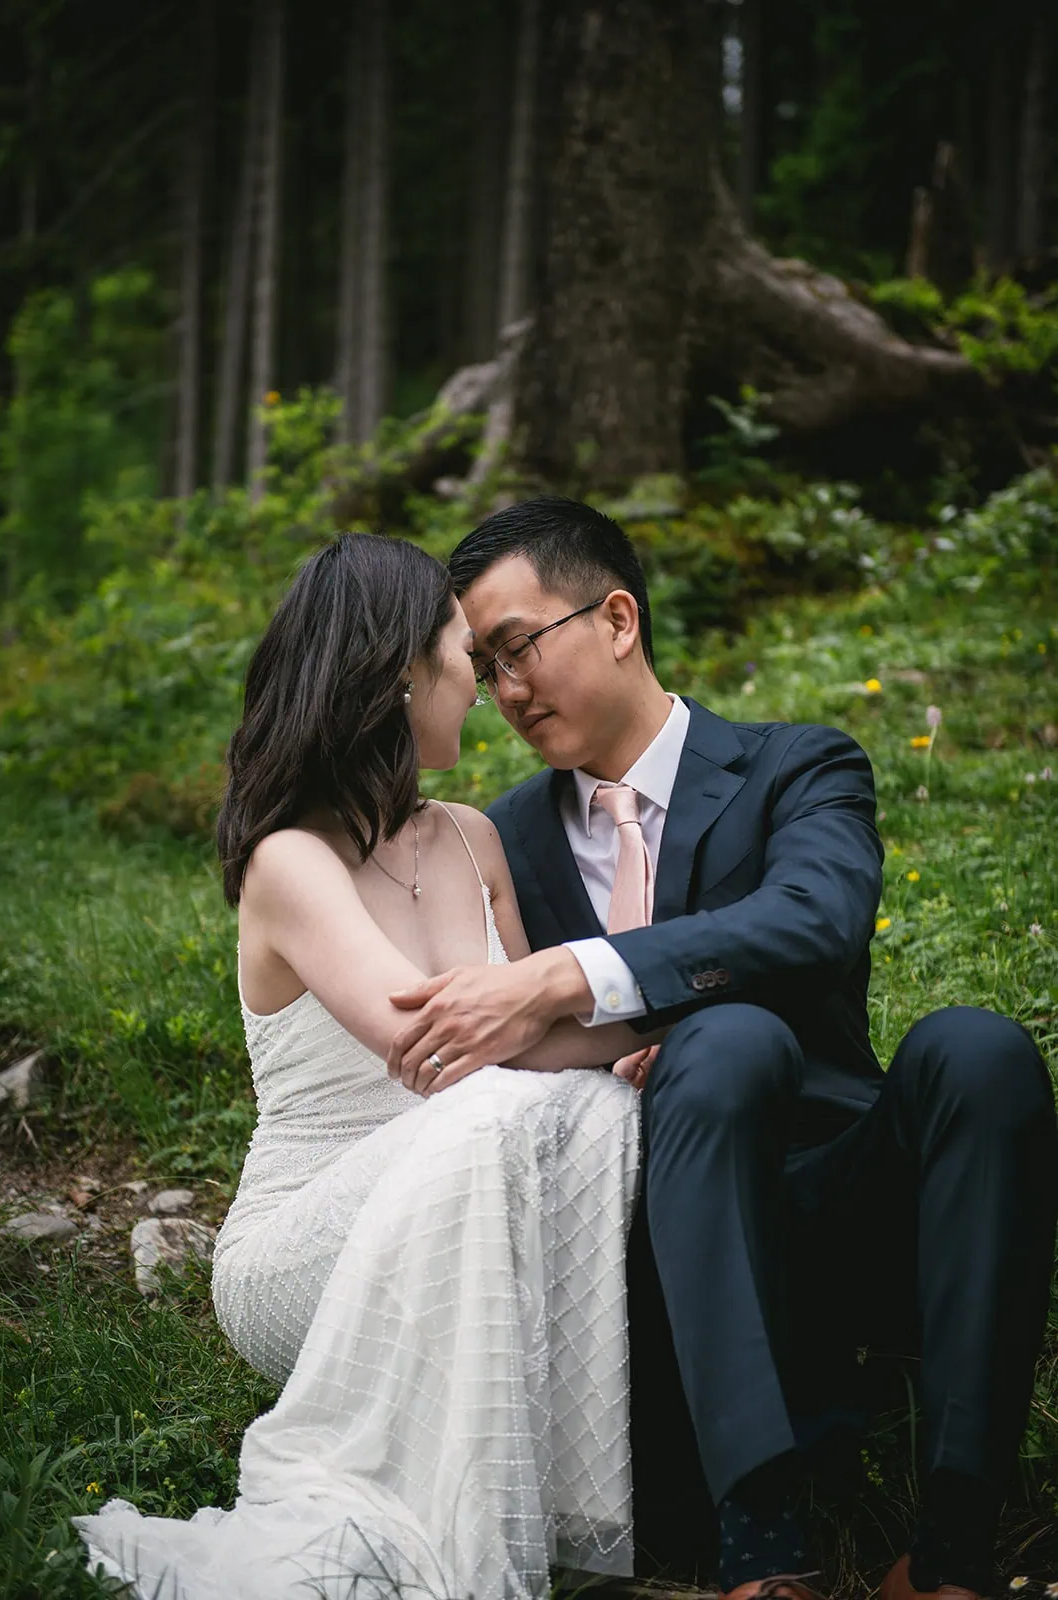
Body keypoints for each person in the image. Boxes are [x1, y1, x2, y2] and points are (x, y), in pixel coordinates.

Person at [387, 496, 1058, 1600]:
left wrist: (571, 974)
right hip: (648, 1251)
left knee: (978, 1051)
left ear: (616, 618)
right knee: (731, 1039)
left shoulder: (799, 768)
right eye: (484, 664)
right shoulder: (495, 838)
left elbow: (816, 917)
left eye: (520, 649)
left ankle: (952, 1548)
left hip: (843, 1206)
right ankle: (762, 1550)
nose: (505, 691)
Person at [73, 532, 662, 1600]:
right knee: (499, 1110)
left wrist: (646, 1030)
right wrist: (619, 1016)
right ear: (399, 673)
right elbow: (434, 1046)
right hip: (305, 1246)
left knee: (592, 1110)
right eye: (463, 658)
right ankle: (450, 1546)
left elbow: (537, 1033)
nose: (484, 691)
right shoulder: (291, 860)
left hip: (457, 1194)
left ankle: (562, 1508)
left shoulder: (475, 840)